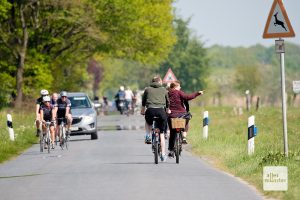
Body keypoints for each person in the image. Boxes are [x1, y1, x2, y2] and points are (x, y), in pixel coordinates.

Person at [167, 81, 204, 157]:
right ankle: (184, 136)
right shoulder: (179, 92)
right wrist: (197, 93)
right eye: (179, 86)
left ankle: (171, 150)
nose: (180, 88)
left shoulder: (167, 94)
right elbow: (188, 97)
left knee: (172, 133)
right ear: (176, 87)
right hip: (181, 114)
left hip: (172, 115)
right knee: (187, 119)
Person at [141, 75, 170, 162]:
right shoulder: (164, 90)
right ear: (160, 82)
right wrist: (167, 110)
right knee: (161, 133)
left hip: (150, 110)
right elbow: (168, 102)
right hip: (161, 112)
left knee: (147, 121)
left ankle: (147, 135)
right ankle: (163, 154)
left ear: (152, 81)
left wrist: (143, 110)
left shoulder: (147, 89)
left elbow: (143, 101)